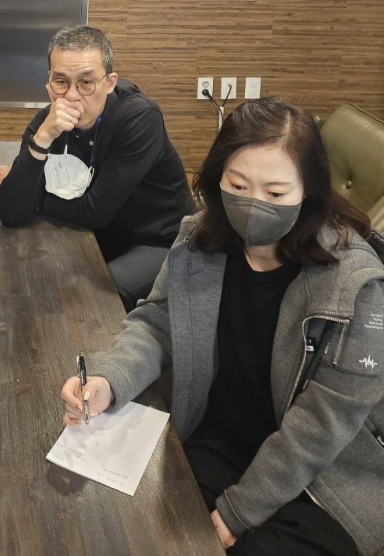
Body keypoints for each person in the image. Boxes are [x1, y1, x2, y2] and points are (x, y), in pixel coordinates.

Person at [61, 97, 384, 555]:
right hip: (222, 442)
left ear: (309, 191)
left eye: (275, 194)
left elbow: (323, 424)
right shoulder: (200, 241)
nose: (254, 205)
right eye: (238, 185)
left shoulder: (357, 286)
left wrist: (240, 510)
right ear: (218, 178)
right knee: (132, 528)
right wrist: (109, 380)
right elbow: (157, 321)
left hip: (327, 482)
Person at [0, 25, 192, 309]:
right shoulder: (47, 121)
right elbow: (11, 211)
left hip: (161, 242)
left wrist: (34, 199)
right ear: (48, 83)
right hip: (99, 236)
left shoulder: (138, 118)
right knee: (29, 279)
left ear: (109, 83)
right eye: (60, 82)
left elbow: (94, 212)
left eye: (86, 82)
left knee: (90, 299)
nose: (72, 96)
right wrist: (43, 138)